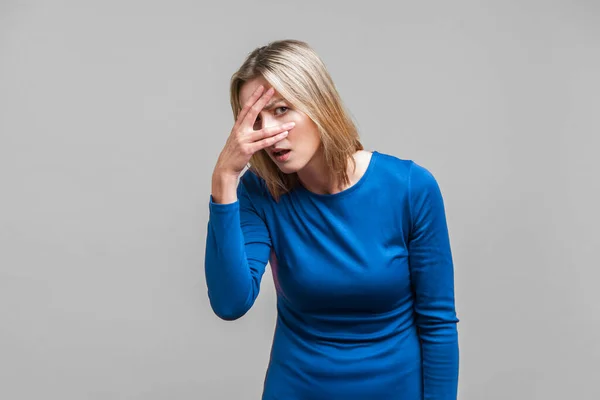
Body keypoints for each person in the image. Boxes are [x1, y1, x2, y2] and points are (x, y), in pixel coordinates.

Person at [205, 39, 460, 400]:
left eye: (281, 110)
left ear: (319, 106)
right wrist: (225, 179)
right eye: (255, 120)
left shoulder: (409, 188)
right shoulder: (259, 193)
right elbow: (230, 302)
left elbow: (438, 324)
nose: (269, 132)